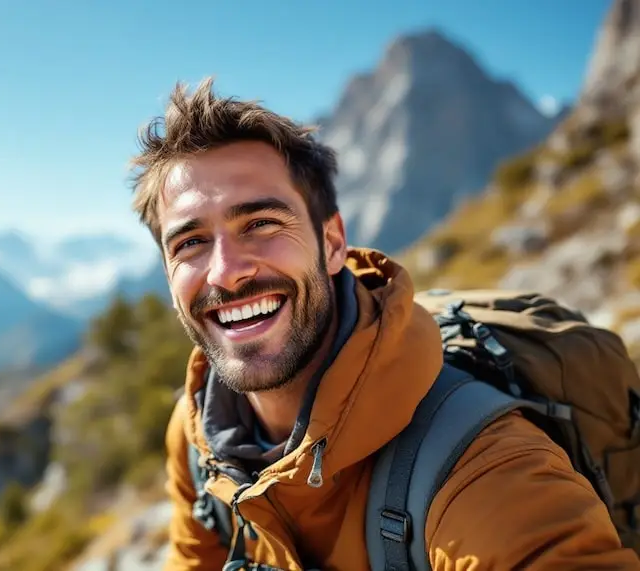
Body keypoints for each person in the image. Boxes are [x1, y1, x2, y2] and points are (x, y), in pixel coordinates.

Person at [126, 77, 640, 570]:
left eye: (260, 224)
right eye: (190, 243)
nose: (225, 271)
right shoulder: (200, 432)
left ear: (332, 244)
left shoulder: (480, 467)